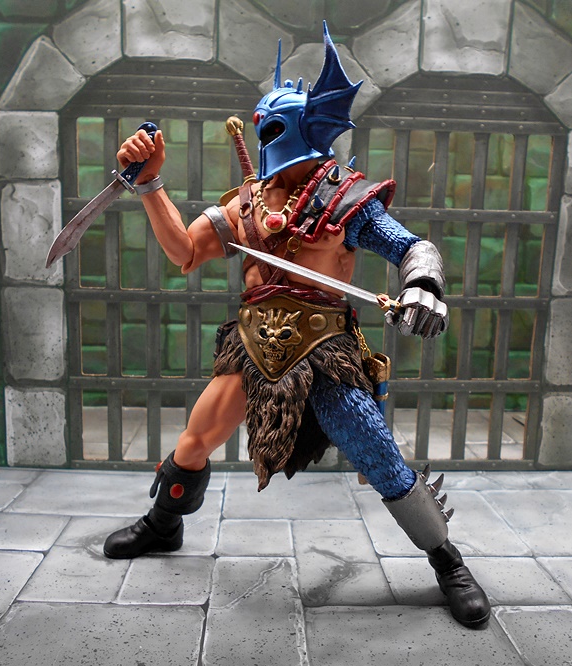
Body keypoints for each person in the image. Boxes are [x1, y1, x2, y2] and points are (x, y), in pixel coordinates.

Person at [103, 22, 491, 630]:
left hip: (325, 350)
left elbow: (412, 246)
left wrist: (422, 285)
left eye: (273, 126)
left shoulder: (345, 200)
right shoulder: (247, 204)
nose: (267, 135)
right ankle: (163, 524)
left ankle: (448, 561)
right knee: (195, 440)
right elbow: (184, 250)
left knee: (378, 453)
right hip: (254, 345)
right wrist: (150, 183)